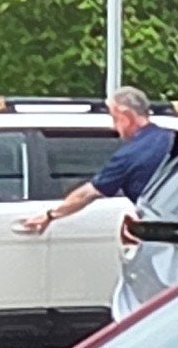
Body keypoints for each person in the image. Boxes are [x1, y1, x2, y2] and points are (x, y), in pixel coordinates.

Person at [22, 87, 170, 236]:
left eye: (115, 118)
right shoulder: (174, 139)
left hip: (159, 233)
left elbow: (86, 194)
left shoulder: (130, 155)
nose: (114, 126)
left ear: (127, 116)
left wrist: (50, 215)